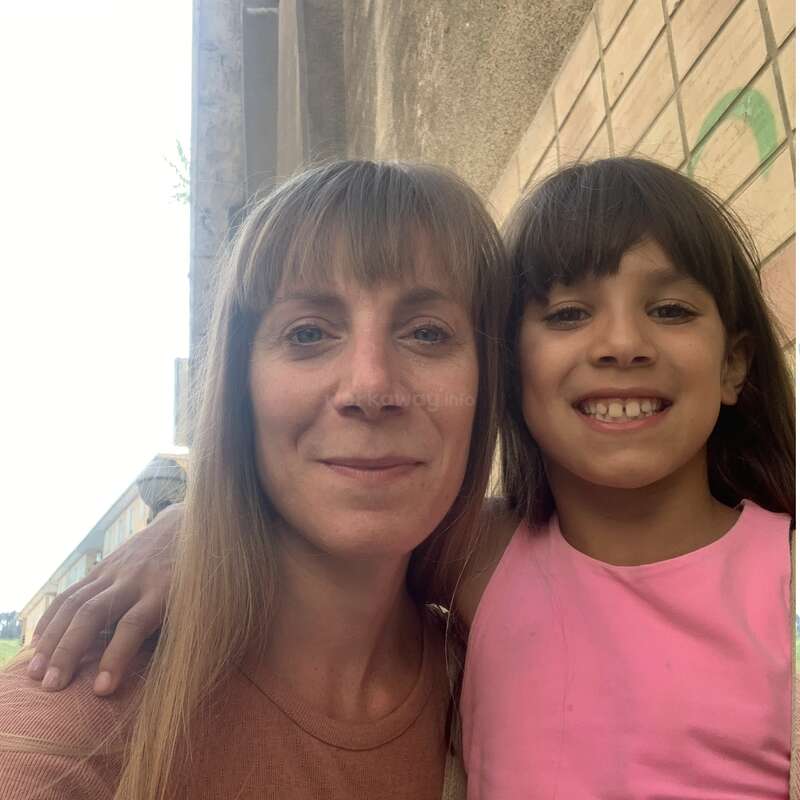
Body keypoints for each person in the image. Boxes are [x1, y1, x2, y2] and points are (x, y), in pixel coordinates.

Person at [23, 158, 796, 798]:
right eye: (566, 315)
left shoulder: (781, 577)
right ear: (513, 371)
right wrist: (186, 526)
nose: (621, 344)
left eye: (668, 310)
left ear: (735, 363)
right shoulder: (484, 557)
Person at [0, 159, 512, 799]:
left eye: (428, 332)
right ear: (241, 390)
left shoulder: (492, 677)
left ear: (485, 386)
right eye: (308, 332)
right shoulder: (92, 701)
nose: (371, 387)